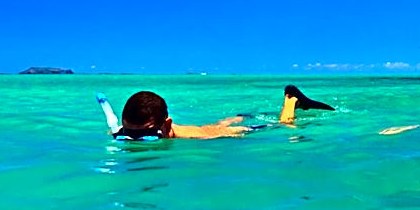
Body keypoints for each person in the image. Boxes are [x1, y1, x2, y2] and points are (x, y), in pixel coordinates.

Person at [115, 85, 334, 140]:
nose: (135, 140)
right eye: (130, 133)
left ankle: (291, 99)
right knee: (222, 121)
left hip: (212, 132)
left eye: (147, 134)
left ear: (167, 125)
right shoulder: (123, 132)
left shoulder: (198, 137)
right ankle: (240, 113)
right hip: (207, 126)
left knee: (284, 125)